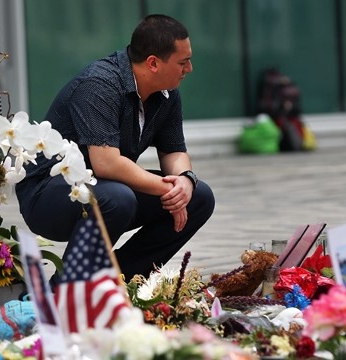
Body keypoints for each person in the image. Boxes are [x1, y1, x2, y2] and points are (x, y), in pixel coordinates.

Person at [16, 14, 215, 282]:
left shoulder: (167, 92)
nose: (189, 68)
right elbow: (106, 163)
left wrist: (185, 182)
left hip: (103, 188)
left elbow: (173, 151)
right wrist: (169, 190)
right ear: (153, 63)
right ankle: (64, 290)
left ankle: (118, 281)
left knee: (199, 196)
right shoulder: (99, 84)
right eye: (183, 62)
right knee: (117, 197)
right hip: (46, 196)